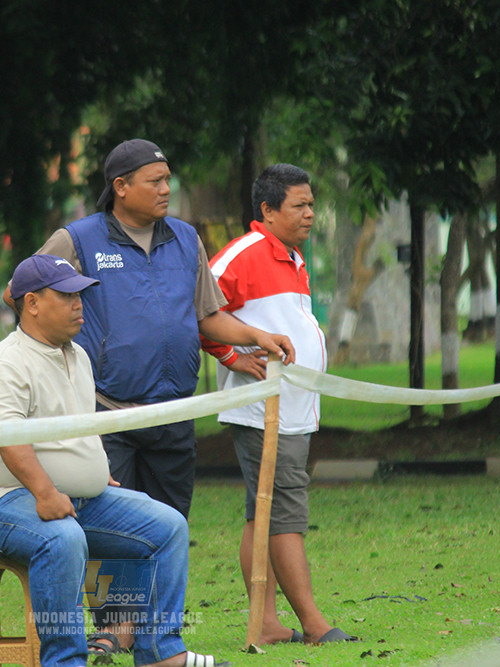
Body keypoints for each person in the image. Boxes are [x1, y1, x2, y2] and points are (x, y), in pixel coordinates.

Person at [3, 139, 295, 657]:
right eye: (154, 181)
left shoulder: (185, 239)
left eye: (167, 180)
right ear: (120, 188)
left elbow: (207, 316)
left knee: (166, 522)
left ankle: (156, 634)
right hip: (104, 409)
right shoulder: (79, 238)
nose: (166, 189)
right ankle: (115, 627)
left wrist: (254, 336)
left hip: (174, 411)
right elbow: (21, 290)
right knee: (109, 525)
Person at [0, 254, 231, 667]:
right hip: (1, 501)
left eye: (80, 295)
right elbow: (8, 441)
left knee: (168, 527)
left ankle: (161, 653)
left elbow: (80, 426)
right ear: (31, 303)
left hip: (77, 498)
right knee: (63, 538)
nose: (79, 304)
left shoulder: (79, 356)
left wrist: (94, 468)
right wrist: (47, 492)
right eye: (67, 295)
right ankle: (66, 661)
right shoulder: (4, 363)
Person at [201, 163, 355, 645]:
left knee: (262, 513)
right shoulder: (242, 255)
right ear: (267, 210)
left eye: (312, 204)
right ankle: (314, 624)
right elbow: (197, 311)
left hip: (292, 411)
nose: (310, 214)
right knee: (285, 512)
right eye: (300, 205)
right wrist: (231, 355)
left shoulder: (292, 256)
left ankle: (265, 623)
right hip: (262, 411)